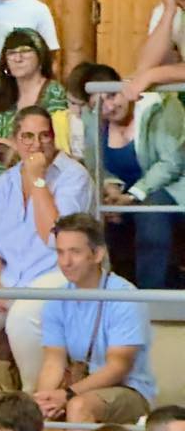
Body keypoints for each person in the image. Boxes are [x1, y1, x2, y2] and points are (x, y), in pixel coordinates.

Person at [0, 106, 96, 404]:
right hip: (10, 275)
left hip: (62, 274)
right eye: (28, 136)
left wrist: (37, 180)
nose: (36, 144)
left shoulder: (74, 177)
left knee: (22, 317)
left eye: (44, 136)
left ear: (54, 138)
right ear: (16, 140)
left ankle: (35, 399)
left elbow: (56, 238)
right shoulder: (5, 182)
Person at [34, 214, 156, 431]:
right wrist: (44, 398)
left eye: (74, 252)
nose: (65, 262)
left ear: (97, 254)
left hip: (130, 391)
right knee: (19, 409)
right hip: (78, 388)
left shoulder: (124, 295)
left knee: (78, 407)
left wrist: (66, 395)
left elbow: (119, 367)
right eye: (60, 252)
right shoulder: (56, 300)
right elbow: (53, 361)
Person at [79, 65, 185, 289]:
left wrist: (134, 195)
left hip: (171, 188)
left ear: (124, 87)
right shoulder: (92, 119)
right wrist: (111, 189)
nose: (109, 107)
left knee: (150, 211)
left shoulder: (161, 105)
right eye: (99, 103)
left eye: (112, 96)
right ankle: (111, 291)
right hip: (123, 196)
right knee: (95, 212)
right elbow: (94, 162)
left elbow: (172, 162)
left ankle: (151, 295)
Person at [0, 30, 69, 202]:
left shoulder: (53, 91)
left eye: (25, 51)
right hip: (0, 162)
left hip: (39, 161)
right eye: (11, 53)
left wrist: (16, 147)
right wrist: (11, 145)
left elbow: (56, 141)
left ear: (40, 57)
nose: (18, 58)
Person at [124, 0, 185, 101]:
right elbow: (145, 66)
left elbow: (149, 73)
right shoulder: (167, 11)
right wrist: (169, 11)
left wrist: (154, 75)